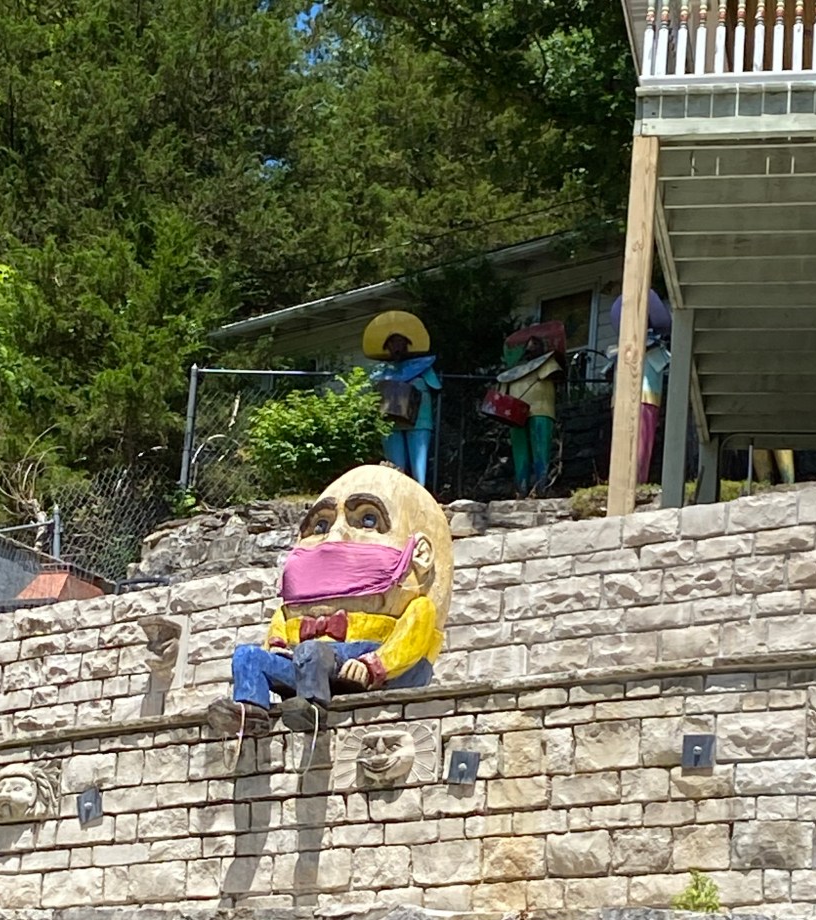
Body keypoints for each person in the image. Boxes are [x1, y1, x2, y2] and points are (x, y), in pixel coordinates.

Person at [206, 464, 454, 737]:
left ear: (420, 553)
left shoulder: (419, 607)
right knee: (247, 656)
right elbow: (279, 629)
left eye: (367, 520)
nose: (333, 538)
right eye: (321, 525)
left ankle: (312, 708)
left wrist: (373, 664)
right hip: (303, 664)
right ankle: (251, 712)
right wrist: (276, 648)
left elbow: (410, 640)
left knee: (311, 651)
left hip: (357, 660)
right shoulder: (290, 611)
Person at [363, 311, 441, 487]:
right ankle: (397, 492)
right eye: (392, 343)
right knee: (395, 468)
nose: (396, 347)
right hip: (391, 422)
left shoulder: (423, 366)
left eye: (399, 343)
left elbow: (435, 387)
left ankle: (419, 492)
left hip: (418, 420)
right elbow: (436, 386)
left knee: (418, 465)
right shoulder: (381, 371)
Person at [492, 322, 565, 496]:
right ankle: (522, 489)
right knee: (520, 453)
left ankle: (541, 487)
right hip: (515, 413)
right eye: (529, 344)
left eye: (535, 344)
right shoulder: (511, 373)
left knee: (541, 451)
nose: (531, 347)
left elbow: (558, 375)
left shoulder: (548, 363)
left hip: (540, 410)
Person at [606, 291, 672, 485]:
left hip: (631, 398)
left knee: (630, 443)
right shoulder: (651, 349)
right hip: (642, 397)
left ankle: (629, 481)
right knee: (637, 443)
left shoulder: (620, 353)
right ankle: (632, 482)